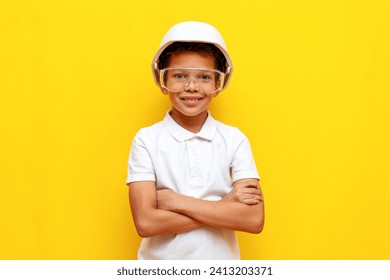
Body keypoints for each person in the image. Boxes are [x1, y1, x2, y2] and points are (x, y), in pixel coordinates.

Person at [126, 21, 264, 260]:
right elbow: (146, 224)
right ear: (163, 81)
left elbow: (253, 220)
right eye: (179, 76)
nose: (191, 87)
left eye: (204, 77)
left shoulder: (234, 139)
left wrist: (176, 201)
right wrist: (224, 207)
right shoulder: (146, 140)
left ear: (217, 85)